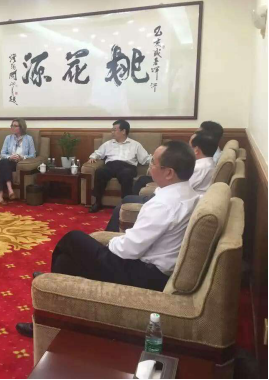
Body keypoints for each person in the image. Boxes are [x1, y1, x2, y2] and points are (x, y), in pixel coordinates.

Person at [17, 141, 200, 338]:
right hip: (155, 269)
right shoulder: (190, 194)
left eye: (154, 163)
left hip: (143, 274)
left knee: (73, 238)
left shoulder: (164, 205)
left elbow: (129, 249)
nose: (150, 167)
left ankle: (48, 297)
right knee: (66, 261)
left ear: (169, 173)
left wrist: (109, 243)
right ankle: (50, 306)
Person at [106, 131, 217, 232]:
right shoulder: (208, 163)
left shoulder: (199, 168)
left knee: (124, 203)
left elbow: (132, 244)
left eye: (190, 145)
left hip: (168, 201)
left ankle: (110, 232)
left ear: (196, 150)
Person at [88, 120, 151, 213]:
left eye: (114, 130)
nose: (112, 132)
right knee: (100, 172)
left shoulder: (135, 145)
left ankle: (125, 204)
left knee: (126, 174)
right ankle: (97, 202)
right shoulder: (108, 144)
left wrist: (156, 160)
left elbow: (145, 159)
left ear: (123, 131)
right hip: (111, 166)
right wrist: (93, 157)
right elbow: (98, 153)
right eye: (112, 130)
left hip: (127, 167)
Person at [0, 119, 36, 205]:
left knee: (2, 168)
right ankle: (10, 189)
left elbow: (33, 155)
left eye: (15, 126)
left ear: (21, 127)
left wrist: (22, 157)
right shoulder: (8, 138)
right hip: (6, 161)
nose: (12, 127)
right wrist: (9, 157)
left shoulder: (29, 139)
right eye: (12, 125)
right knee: (4, 163)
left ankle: (0, 196)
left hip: (17, 164)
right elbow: (2, 154)